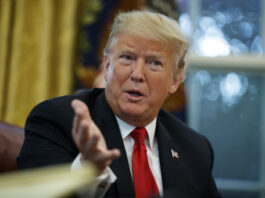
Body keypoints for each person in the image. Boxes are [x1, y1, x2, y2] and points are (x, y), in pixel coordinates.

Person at [17, 11, 222, 198]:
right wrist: (88, 172)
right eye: (127, 58)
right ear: (107, 67)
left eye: (154, 63)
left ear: (175, 81)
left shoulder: (194, 148)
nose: (137, 74)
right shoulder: (56, 121)